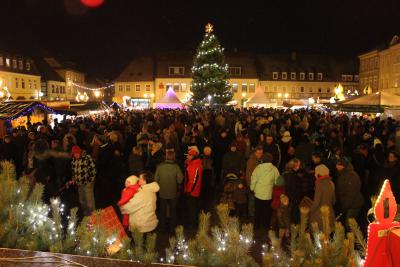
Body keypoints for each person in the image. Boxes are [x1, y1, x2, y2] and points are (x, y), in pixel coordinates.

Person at [155, 149, 184, 233]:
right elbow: (180, 180)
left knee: (162, 210)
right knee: (173, 211)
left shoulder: (160, 167)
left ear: (166, 157)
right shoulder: (176, 167)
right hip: (173, 192)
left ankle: (163, 227)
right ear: (173, 157)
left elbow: (156, 179)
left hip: (162, 192)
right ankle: (172, 228)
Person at [250, 153, 280, 229]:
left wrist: (252, 188)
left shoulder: (258, 168)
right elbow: (277, 181)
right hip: (268, 194)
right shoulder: (274, 169)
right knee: (267, 211)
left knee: (258, 210)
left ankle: (257, 226)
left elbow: (254, 179)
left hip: (258, 193)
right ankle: (265, 226)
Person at [335, 158, 364, 229]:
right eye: (336, 164)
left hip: (353, 204)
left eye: (339, 165)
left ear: (344, 166)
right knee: (349, 223)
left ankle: (354, 238)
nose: (336, 166)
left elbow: (351, 193)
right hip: (347, 204)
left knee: (349, 225)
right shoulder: (341, 173)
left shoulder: (351, 176)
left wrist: (345, 205)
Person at [69, 145, 97, 216]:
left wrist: (91, 180)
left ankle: (93, 216)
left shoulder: (87, 158)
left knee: (89, 201)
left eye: (77, 153)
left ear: (80, 152)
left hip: (88, 183)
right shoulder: (73, 161)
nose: (76, 155)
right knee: (82, 200)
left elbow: (93, 169)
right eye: (74, 154)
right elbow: (73, 172)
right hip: (79, 184)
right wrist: (73, 179)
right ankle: (86, 215)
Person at [309, 164, 335, 232]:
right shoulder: (331, 183)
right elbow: (334, 200)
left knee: (318, 236)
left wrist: (309, 210)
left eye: (316, 172)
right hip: (329, 213)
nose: (314, 174)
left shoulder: (319, 184)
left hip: (319, 215)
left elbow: (316, 202)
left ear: (319, 174)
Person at [184, 146, 203, 228]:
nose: (187, 156)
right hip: (192, 190)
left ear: (192, 156)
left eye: (188, 155)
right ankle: (192, 223)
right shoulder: (194, 163)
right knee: (192, 208)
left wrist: (189, 190)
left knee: (192, 208)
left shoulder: (195, 165)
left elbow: (193, 180)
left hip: (192, 191)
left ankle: (192, 225)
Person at [246, 145, 265, 218]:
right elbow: (248, 174)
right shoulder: (251, 161)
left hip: (258, 183)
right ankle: (251, 215)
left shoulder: (260, 160)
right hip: (252, 184)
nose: (260, 155)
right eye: (258, 153)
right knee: (252, 200)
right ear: (255, 153)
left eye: (261, 153)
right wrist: (250, 185)